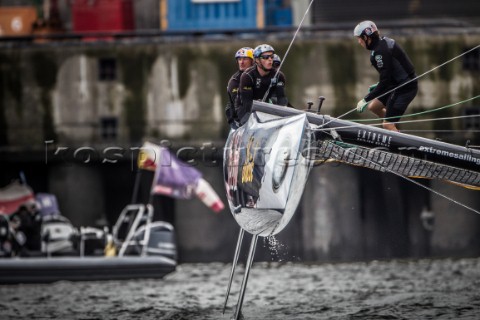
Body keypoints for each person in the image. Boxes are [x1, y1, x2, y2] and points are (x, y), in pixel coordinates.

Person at [354, 20, 418, 132]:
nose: (359, 41)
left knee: (387, 125)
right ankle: (393, 127)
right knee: (373, 107)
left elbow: (385, 80)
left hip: (405, 88)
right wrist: (379, 85)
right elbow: (388, 75)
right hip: (395, 84)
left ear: (366, 37)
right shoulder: (380, 46)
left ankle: (396, 139)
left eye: (359, 38)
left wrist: (366, 99)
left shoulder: (381, 52)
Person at [236, 44, 288, 125]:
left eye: (271, 56)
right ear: (257, 60)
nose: (270, 60)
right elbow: (247, 104)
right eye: (266, 57)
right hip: (245, 110)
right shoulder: (247, 76)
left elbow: (281, 100)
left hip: (267, 109)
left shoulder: (279, 76)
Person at [226, 47, 254, 129]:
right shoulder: (235, 80)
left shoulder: (258, 75)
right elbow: (239, 106)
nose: (241, 62)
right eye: (239, 59)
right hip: (238, 120)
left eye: (245, 59)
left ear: (253, 61)